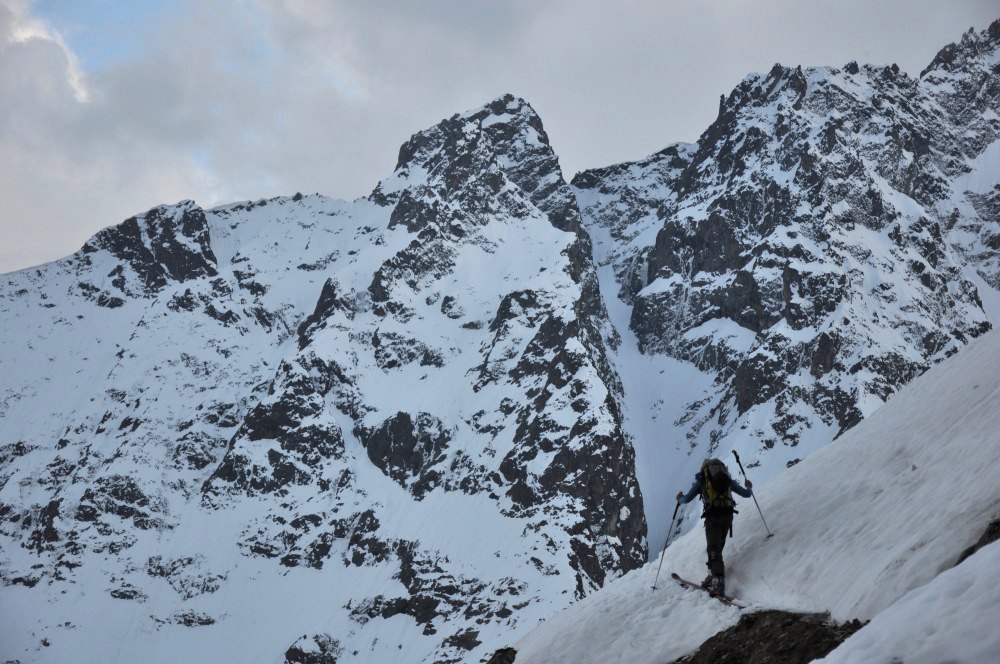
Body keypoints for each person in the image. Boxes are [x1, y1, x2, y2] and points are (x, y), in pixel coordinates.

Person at [675, 458, 753, 597]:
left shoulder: (702, 480)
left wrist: (679, 498)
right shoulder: (727, 479)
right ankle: (712, 576)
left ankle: (718, 583)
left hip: (713, 518)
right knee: (717, 547)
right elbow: (746, 494)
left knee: (713, 550)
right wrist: (749, 486)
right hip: (728, 516)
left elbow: (686, 499)